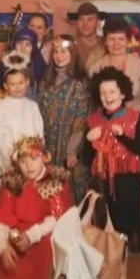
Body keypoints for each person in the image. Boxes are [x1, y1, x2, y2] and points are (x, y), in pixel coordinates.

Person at [0, 136, 72, 279]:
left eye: (34, 159)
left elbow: (56, 218)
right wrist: (3, 246)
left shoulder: (53, 181)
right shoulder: (13, 182)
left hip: (44, 231)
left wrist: (32, 236)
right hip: (18, 230)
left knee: (48, 245)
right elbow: (0, 218)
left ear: (43, 158)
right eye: (23, 161)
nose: (29, 166)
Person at [87, 67, 140, 253]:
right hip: (104, 172)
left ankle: (134, 232)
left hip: (128, 172)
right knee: (108, 205)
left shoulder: (134, 117)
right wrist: (89, 140)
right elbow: (87, 156)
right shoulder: (93, 120)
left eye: (112, 91)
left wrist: (122, 136)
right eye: (103, 93)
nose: (107, 96)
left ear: (122, 93)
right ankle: (112, 236)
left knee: (131, 202)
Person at [37, 35, 91, 201]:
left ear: (72, 54)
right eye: (56, 52)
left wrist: (72, 150)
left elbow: (81, 120)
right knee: (47, 192)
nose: (59, 56)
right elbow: (38, 111)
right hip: (47, 146)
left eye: (64, 51)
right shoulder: (46, 80)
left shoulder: (80, 83)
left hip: (70, 148)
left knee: (70, 193)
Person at [0, 56, 44, 197]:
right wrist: (11, 164)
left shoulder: (32, 106)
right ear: (5, 86)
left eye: (21, 82)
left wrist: (35, 159)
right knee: (9, 198)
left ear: (27, 82)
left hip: (31, 163)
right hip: (8, 165)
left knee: (29, 199)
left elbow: (39, 134)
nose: (18, 87)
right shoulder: (0, 107)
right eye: (12, 84)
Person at [88, 17, 140, 116]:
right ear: (105, 42)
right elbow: (91, 102)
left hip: (135, 120)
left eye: (121, 39)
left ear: (127, 41)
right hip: (104, 121)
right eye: (112, 39)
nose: (116, 44)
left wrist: (128, 114)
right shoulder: (96, 68)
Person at [0, 27, 46, 99]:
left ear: (33, 48)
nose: (23, 48)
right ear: (14, 46)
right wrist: (0, 93)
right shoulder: (6, 64)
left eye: (27, 45)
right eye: (19, 43)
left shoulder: (39, 65)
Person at [72, 2, 107, 72]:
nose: (85, 24)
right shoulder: (71, 44)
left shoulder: (106, 44)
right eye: (81, 19)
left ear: (98, 22)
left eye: (90, 19)